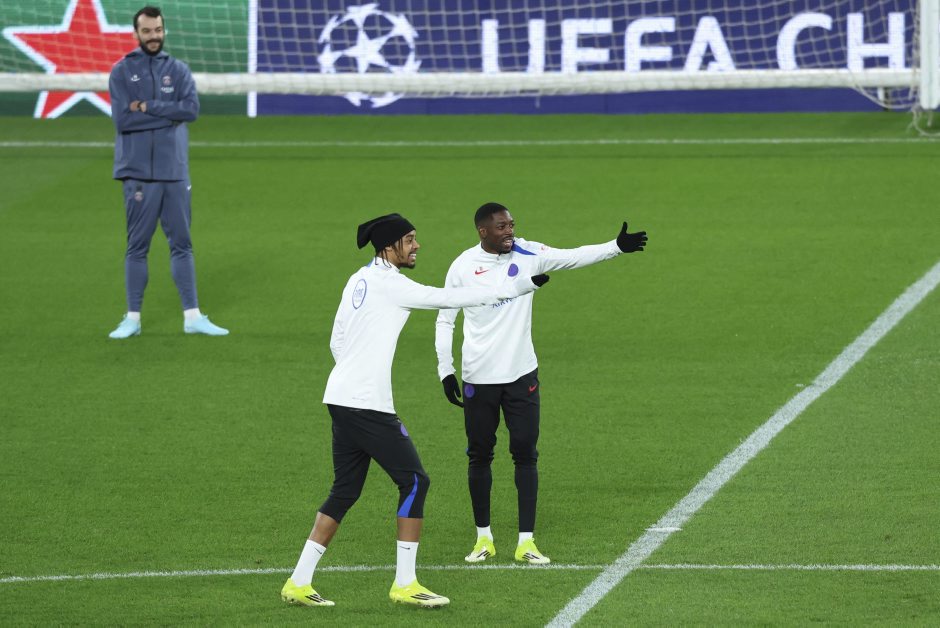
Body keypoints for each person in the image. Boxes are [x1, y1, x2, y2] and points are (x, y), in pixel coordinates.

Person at [281, 213, 549, 608]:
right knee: (415, 482)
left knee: (345, 490)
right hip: (366, 404)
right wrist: (520, 285)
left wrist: (355, 373)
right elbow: (449, 298)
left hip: (339, 397)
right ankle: (404, 583)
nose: (416, 246)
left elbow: (337, 340)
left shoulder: (358, 279)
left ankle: (299, 581)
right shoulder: (392, 285)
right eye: (409, 240)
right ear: (389, 247)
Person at [434, 202, 648, 565]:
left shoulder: (529, 253)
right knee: (479, 456)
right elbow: (445, 319)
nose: (510, 231)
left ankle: (526, 542)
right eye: (501, 227)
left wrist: (615, 247)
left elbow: (572, 256)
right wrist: (445, 370)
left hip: (521, 375)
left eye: (511, 225)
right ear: (483, 231)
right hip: (478, 377)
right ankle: (483, 538)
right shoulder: (462, 266)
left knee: (525, 453)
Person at [107, 6, 227, 339]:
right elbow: (123, 120)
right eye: (147, 31)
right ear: (136, 33)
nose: (154, 36)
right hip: (138, 174)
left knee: (183, 245)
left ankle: (193, 317)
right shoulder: (121, 72)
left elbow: (191, 111)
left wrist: (148, 106)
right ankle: (132, 319)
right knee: (137, 247)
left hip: (174, 171)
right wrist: (169, 115)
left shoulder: (179, 70)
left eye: (158, 30)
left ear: (164, 30)